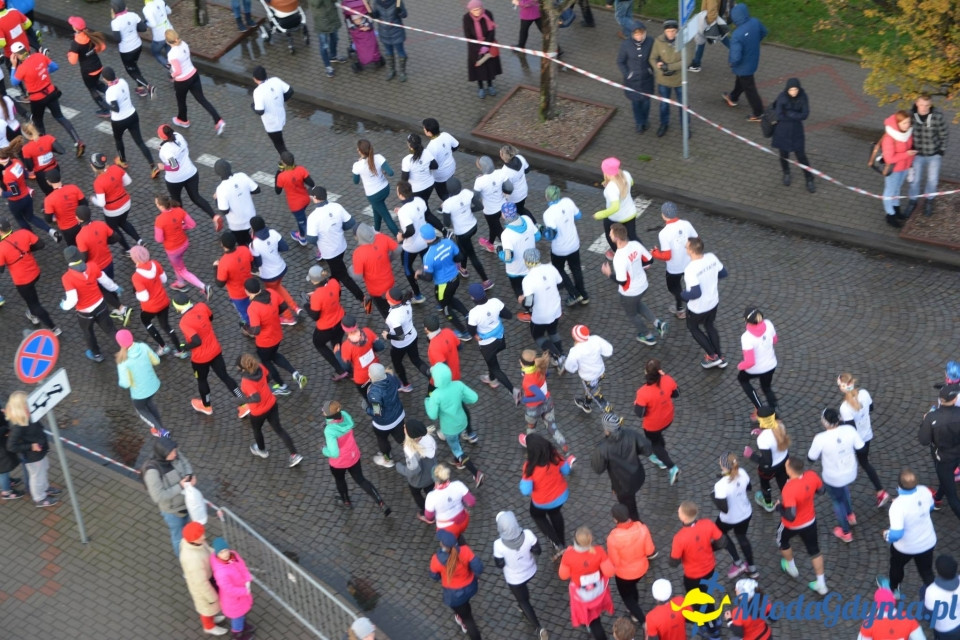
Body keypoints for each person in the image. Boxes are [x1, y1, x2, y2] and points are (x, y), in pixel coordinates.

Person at [171, 291, 249, 418]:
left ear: (178, 307)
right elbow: (210, 317)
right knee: (225, 377)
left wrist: (185, 347)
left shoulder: (184, 322)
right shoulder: (202, 306)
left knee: (202, 380)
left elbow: (196, 341)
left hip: (200, 358)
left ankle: (206, 406)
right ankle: (243, 404)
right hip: (215, 350)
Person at [10, 42, 84, 152]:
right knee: (60, 117)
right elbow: (55, 67)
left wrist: (13, 66)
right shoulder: (39, 56)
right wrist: (43, 72)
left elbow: (14, 82)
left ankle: (44, 148)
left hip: (37, 99)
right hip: (51, 93)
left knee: (38, 123)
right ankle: (77, 141)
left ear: (15, 56)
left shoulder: (21, 68)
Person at [321, 400, 391, 514]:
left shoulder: (329, 431)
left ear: (329, 414)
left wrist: (323, 449)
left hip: (339, 463)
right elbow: (340, 421)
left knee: (340, 480)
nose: (322, 411)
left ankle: (346, 501)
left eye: (324, 410)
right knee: (361, 480)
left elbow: (334, 453)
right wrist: (328, 422)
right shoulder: (345, 415)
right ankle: (380, 502)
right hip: (353, 456)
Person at [602, 222, 665, 345]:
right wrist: (635, 266)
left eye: (610, 234)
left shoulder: (619, 258)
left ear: (616, 238)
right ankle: (658, 323)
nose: (609, 235)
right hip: (643, 284)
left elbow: (622, 281)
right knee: (638, 304)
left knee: (632, 314)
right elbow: (649, 260)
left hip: (630, 291)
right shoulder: (635, 244)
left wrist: (609, 274)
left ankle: (647, 336)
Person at [877, 468, 936, 600]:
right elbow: (930, 507)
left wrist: (885, 534)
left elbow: (896, 534)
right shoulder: (924, 491)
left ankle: (893, 589)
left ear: (898, 485)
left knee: (897, 566)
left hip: (905, 547)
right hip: (927, 541)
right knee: (926, 572)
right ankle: (937, 598)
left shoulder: (897, 506)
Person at [669, 501, 725, 640]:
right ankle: (714, 621)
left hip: (693, 576)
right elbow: (723, 542)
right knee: (707, 594)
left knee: (700, 602)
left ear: (683, 517)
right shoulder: (707, 524)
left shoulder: (679, 537)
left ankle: (712, 630)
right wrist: (710, 548)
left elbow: (674, 562)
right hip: (710, 568)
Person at [808, 408, 864, 543]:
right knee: (844, 491)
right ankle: (850, 515)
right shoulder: (850, 430)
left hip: (833, 476)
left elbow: (811, 457)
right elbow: (861, 447)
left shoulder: (820, 438)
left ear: (825, 422)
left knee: (837, 501)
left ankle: (846, 532)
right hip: (850, 471)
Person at [237, 352, 303, 467]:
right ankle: (294, 454)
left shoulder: (246, 381)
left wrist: (241, 400)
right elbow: (269, 376)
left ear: (243, 368)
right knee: (279, 429)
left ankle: (261, 450)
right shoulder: (261, 367)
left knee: (257, 430)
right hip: (271, 403)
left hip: (258, 411)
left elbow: (255, 398)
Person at [425, 362, 485, 486]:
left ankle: (475, 472)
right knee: (456, 439)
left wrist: (427, 401)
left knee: (457, 449)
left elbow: (433, 415)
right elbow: (474, 398)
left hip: (449, 428)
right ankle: (458, 460)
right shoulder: (458, 385)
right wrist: (462, 399)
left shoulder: (436, 395)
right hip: (462, 421)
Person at [59, 246, 122, 362]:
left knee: (88, 333)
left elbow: (72, 299)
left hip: (85, 312)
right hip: (101, 305)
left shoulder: (67, 278)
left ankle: (97, 354)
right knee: (111, 329)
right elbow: (106, 281)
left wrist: (64, 305)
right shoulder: (92, 266)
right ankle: (125, 347)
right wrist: (116, 288)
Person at [243, 277, 306, 394]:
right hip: (277, 335)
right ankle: (295, 374)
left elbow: (256, 330)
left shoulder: (253, 308)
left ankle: (282, 386)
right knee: (275, 355)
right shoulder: (271, 293)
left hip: (265, 342)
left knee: (267, 362)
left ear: (247, 291)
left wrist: (247, 328)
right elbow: (283, 307)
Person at [776, 456, 828, 595]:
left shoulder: (789, 488)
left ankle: (791, 567)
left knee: (782, 540)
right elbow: (822, 491)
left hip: (791, 526)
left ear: (790, 470)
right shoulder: (811, 475)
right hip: (810, 521)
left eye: (786, 466)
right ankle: (821, 584)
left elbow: (791, 515)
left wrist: (779, 507)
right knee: (814, 550)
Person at [837, 372, 891, 508]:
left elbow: (850, 429)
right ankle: (880, 491)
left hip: (856, 441)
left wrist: (839, 423)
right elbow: (871, 408)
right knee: (865, 463)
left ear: (842, 388)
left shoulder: (844, 407)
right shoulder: (864, 394)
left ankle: (841, 493)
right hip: (867, 435)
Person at [493, 510, 548, 640]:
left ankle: (539, 628)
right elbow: (538, 551)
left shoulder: (498, 545)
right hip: (530, 570)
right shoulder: (528, 534)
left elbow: (499, 564)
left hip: (515, 579)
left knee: (524, 601)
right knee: (523, 597)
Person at [304, 185, 364, 301]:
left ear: (315, 198)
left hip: (329, 252)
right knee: (336, 272)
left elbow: (311, 239)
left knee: (343, 275)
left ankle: (362, 297)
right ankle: (335, 293)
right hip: (341, 246)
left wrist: (319, 241)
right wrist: (339, 228)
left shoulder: (313, 217)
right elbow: (351, 222)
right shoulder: (337, 207)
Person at [591, 410, 652, 522]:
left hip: (622, 484)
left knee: (630, 508)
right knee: (630, 501)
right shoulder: (630, 434)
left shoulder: (603, 448)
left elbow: (598, 468)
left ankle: (636, 524)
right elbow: (647, 448)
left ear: (607, 430)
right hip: (637, 475)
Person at [0, 217, 59, 332]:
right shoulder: (23, 232)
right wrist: (27, 250)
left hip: (22, 281)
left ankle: (53, 328)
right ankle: (32, 314)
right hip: (35, 272)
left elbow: (1, 269)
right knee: (31, 298)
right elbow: (41, 244)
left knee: (34, 304)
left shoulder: (1, 248)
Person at [558, 526, 615, 640]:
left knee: (593, 620)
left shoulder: (568, 555)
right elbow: (610, 572)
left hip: (581, 594)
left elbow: (563, 576)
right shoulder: (599, 551)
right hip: (598, 591)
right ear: (591, 539)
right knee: (595, 616)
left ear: (575, 541)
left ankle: (588, 624)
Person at [129, 244, 186, 358]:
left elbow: (144, 297)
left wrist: (137, 294)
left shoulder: (136, 276)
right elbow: (164, 279)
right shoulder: (155, 263)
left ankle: (163, 346)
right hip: (164, 301)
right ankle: (180, 351)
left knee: (146, 321)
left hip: (150, 307)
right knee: (166, 326)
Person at [520, 433, 572, 557]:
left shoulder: (529, 467)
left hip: (542, 502)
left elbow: (525, 490)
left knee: (537, 515)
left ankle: (556, 542)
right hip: (560, 496)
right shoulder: (555, 456)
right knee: (555, 514)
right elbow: (566, 470)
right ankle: (562, 541)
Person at [102, 65, 159, 177]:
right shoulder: (123, 81)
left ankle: (123, 160)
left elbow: (116, 109)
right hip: (132, 115)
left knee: (118, 140)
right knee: (140, 142)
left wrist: (105, 105)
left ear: (105, 79)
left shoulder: (110, 92)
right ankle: (153, 165)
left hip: (119, 121)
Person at [166, 29, 225, 134]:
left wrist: (171, 75)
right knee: (202, 99)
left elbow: (178, 71)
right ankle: (218, 120)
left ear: (167, 41)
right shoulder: (184, 44)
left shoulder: (172, 54)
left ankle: (183, 120)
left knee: (181, 101)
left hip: (182, 81)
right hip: (193, 74)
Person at [6, 391, 58, 508]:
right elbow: (11, 446)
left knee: (44, 470)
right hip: (32, 456)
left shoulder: (28, 414)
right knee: (37, 476)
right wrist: (31, 446)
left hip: (40, 452)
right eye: (26, 403)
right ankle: (39, 498)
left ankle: (45, 488)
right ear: (20, 407)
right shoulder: (18, 425)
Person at [605, 504, 656, 626]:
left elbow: (615, 562)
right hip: (641, 569)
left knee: (627, 597)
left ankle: (641, 619)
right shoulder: (642, 528)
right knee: (633, 588)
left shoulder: (613, 538)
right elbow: (650, 551)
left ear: (615, 519)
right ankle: (634, 612)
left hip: (624, 574)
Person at [466, 283, 518, 401]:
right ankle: (491, 378)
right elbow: (508, 315)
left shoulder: (473, 313)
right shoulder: (495, 302)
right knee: (491, 362)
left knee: (495, 367)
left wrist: (475, 336)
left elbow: (471, 331)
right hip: (500, 339)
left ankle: (513, 390)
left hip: (486, 345)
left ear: (473, 298)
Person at [681, 236, 728, 368]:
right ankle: (720, 356)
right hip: (713, 302)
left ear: (691, 250)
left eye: (686, 247)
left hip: (698, 307)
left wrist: (683, 295)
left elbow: (696, 293)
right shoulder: (711, 257)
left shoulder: (690, 269)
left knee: (693, 328)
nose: (685, 248)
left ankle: (712, 356)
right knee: (709, 325)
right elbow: (723, 273)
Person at [157, 124, 219, 222]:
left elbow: (175, 166)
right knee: (196, 197)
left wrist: (162, 167)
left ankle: (182, 221)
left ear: (161, 137)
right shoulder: (178, 135)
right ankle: (214, 216)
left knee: (176, 200)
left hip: (175, 180)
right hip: (191, 173)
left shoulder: (166, 151)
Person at [141, 436, 193, 553]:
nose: (175, 454)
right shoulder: (152, 472)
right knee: (178, 538)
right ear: (163, 454)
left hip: (186, 502)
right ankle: (182, 558)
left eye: (175, 451)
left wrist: (190, 475)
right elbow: (158, 496)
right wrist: (180, 486)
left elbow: (185, 462)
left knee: (187, 529)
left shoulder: (173, 451)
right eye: (172, 453)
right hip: (173, 511)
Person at [418, 224, 471, 336]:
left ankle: (463, 332)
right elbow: (460, 257)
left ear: (424, 238)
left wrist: (418, 275)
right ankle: (467, 315)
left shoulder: (428, 256)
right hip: (455, 278)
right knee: (450, 298)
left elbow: (428, 277)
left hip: (443, 285)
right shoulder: (448, 242)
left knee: (445, 307)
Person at [430, 529, 484, 639]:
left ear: (442, 545)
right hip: (470, 587)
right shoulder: (465, 550)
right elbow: (479, 568)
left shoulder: (436, 560)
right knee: (466, 607)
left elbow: (434, 576)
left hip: (454, 595)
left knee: (468, 619)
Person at [115, 329, 169, 438]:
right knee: (149, 404)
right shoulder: (143, 346)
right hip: (153, 385)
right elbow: (156, 361)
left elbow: (125, 383)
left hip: (139, 393)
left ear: (119, 343)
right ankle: (159, 427)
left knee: (141, 410)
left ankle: (160, 430)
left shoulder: (122, 360)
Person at [633, 359, 680, 484]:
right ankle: (661, 456)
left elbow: (639, 413)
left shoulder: (642, 392)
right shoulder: (668, 379)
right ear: (659, 371)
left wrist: (636, 404)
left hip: (653, 425)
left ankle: (671, 466)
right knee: (658, 439)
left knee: (654, 443)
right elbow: (676, 394)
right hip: (668, 418)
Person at [713, 452, 759, 579]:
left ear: (723, 465)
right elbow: (748, 487)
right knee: (742, 537)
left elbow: (723, 508)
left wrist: (714, 495)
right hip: (745, 513)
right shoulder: (742, 472)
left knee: (720, 534)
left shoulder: (720, 485)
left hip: (729, 518)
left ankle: (738, 563)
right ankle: (752, 569)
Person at [153, 195, 210, 297]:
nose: (156, 205)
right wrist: (182, 227)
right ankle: (180, 283)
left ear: (161, 206)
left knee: (182, 270)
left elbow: (159, 239)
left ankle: (204, 287)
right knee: (178, 264)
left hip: (173, 249)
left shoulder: (159, 220)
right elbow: (192, 224)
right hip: (184, 243)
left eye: (156, 204)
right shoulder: (179, 210)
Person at [440, 177, 491, 288]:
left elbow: (447, 223)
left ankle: (486, 281)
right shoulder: (467, 193)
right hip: (473, 226)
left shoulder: (448, 204)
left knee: (472, 254)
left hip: (462, 232)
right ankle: (463, 268)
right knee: (463, 248)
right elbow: (479, 206)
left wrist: (445, 209)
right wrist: (468, 210)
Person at [919, 384, 960, 522]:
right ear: (954, 399)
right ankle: (937, 498)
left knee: (953, 499)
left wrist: (924, 422)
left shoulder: (931, 417)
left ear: (940, 400)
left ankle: (937, 500)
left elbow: (924, 440)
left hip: (943, 459)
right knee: (947, 480)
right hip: (957, 455)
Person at [178, 522, 228, 637]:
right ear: (194, 539)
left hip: (208, 580)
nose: (204, 537)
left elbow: (207, 551)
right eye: (200, 536)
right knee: (206, 608)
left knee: (209, 608)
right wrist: (212, 598)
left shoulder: (194, 544)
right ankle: (209, 626)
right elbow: (201, 584)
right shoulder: (193, 560)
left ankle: (212, 618)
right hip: (204, 587)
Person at [542, 185, 588, 306]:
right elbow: (579, 216)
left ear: (547, 197)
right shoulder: (568, 202)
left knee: (559, 269)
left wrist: (543, 232)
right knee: (576, 269)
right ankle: (583, 295)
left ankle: (574, 294)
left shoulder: (548, 214)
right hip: (574, 244)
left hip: (559, 249)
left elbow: (551, 235)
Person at [650, 201, 697, 319]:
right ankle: (680, 309)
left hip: (674, 268)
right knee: (685, 285)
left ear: (663, 215)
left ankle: (688, 305)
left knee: (674, 288)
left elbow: (667, 256)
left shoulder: (664, 233)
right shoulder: (686, 224)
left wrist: (655, 254)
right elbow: (696, 240)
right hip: (689, 263)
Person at [250, 216, 299, 324]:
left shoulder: (254, 245)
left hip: (269, 275)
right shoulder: (273, 233)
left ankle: (288, 317)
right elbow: (285, 247)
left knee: (275, 295)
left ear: (253, 229)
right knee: (279, 288)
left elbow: (258, 263)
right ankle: (295, 307)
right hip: (281, 268)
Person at [721, 3, 767, 121]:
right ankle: (733, 97)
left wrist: (732, 63)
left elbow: (735, 56)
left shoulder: (737, 34)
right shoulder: (755, 22)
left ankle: (758, 113)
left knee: (750, 89)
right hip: (753, 59)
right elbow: (764, 32)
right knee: (741, 79)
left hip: (743, 65)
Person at [304, 265, 349, 381]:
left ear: (314, 281)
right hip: (340, 320)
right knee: (337, 345)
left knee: (318, 343)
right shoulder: (334, 282)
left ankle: (340, 370)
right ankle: (347, 366)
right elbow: (335, 295)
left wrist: (306, 304)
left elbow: (315, 316)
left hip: (326, 328)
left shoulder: (316, 297)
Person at [520, 248, 565, 365]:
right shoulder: (550, 268)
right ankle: (562, 353)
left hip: (540, 315)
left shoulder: (528, 280)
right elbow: (561, 284)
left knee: (538, 335)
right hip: (555, 309)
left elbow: (529, 304)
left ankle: (557, 356)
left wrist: (522, 301)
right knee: (553, 331)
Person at [90, 151, 142, 251]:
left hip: (112, 211)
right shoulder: (115, 168)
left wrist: (93, 199)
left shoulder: (98, 182)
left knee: (114, 229)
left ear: (94, 166)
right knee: (123, 222)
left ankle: (127, 250)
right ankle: (139, 240)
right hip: (126, 203)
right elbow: (128, 181)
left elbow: (101, 203)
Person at [907, 95, 950, 217]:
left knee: (932, 180)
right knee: (915, 180)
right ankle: (913, 201)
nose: (924, 108)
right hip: (917, 155)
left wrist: (941, 151)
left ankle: (929, 200)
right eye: (921, 104)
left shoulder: (937, 117)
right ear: (916, 103)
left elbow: (944, 135)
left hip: (934, 155)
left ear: (930, 105)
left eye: (927, 105)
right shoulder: (910, 116)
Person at [519, 349, 570, 452]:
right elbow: (546, 375)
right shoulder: (539, 367)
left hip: (533, 408)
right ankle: (566, 450)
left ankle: (530, 445)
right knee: (553, 428)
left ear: (522, 363)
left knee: (531, 426)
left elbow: (540, 396)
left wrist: (524, 399)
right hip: (548, 404)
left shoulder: (527, 381)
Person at [565, 324, 618, 419]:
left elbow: (570, 367)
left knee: (596, 394)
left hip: (589, 377)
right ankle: (586, 404)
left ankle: (611, 417)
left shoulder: (575, 351)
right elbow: (608, 350)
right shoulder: (595, 339)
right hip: (600, 372)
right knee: (591, 390)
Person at [772, 78, 815, 192]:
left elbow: (805, 115)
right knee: (783, 155)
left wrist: (789, 113)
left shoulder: (803, 97)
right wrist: (795, 114)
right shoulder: (782, 97)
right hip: (783, 131)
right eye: (791, 90)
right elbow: (779, 115)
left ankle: (809, 178)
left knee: (801, 156)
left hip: (796, 131)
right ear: (787, 89)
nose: (794, 92)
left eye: (795, 89)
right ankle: (786, 172)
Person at [382, 287, 429, 389]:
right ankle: (431, 375)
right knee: (416, 360)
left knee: (397, 363)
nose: (386, 300)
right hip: (413, 336)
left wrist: (387, 336)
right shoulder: (406, 302)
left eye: (387, 299)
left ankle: (405, 385)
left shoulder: (393, 317)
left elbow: (400, 337)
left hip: (400, 345)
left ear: (392, 301)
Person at [744, 406, 790, 512]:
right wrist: (762, 432)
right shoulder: (780, 426)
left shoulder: (763, 439)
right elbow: (773, 438)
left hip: (770, 468)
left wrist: (751, 455)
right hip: (784, 461)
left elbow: (767, 462)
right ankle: (789, 501)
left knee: (765, 484)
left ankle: (768, 504)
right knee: (784, 484)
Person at [0, 148, 55, 237]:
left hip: (16, 202)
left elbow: (15, 192)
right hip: (27, 196)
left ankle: (31, 238)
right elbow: (26, 175)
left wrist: (2, 193)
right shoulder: (17, 161)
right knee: (31, 217)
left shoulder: (8, 176)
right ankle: (50, 230)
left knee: (20, 219)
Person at [498, 202, 537, 322]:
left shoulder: (506, 234)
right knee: (532, 288)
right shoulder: (527, 219)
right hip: (532, 264)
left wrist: (499, 252)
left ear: (504, 215)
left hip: (516, 270)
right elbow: (538, 236)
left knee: (521, 293)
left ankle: (532, 312)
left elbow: (508, 257)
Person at [209, 538, 254, 640]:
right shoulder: (221, 573)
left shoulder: (233, 555)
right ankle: (237, 634)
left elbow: (242, 567)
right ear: (217, 554)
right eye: (221, 552)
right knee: (237, 617)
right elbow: (228, 589)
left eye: (226, 550)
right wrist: (245, 591)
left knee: (240, 614)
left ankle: (242, 625)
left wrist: (247, 578)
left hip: (240, 595)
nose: (225, 554)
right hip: (233, 600)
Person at [593, 157, 638, 258]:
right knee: (632, 236)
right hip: (630, 213)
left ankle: (618, 255)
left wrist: (600, 214)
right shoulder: (626, 174)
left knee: (611, 237)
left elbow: (615, 207)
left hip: (616, 218)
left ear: (606, 172)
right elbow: (631, 183)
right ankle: (644, 260)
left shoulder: (611, 188)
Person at [66, 16, 110, 116]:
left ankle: (105, 109)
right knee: (97, 84)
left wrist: (69, 54)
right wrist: (93, 51)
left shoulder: (75, 44)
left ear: (75, 28)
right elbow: (102, 47)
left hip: (88, 71)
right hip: (98, 66)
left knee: (92, 89)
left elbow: (72, 61)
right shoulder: (90, 35)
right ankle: (113, 94)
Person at [737, 307, 778, 415]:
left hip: (755, 369)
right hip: (771, 365)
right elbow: (774, 340)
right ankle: (774, 408)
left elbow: (750, 362)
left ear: (746, 321)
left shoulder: (746, 337)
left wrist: (740, 366)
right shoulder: (769, 324)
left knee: (742, 379)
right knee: (766, 387)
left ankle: (759, 407)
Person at [395, 418, 437, 522]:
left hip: (418, 481)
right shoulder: (428, 438)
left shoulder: (410, 449)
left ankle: (427, 514)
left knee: (416, 493)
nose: (404, 427)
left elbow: (413, 470)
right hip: (432, 474)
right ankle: (436, 507)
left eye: (406, 428)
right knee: (430, 491)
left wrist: (399, 468)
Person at [110, 0, 154, 97]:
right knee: (134, 66)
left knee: (131, 71)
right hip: (138, 46)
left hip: (126, 51)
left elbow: (118, 39)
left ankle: (148, 87)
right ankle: (140, 89)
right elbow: (143, 28)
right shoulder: (133, 15)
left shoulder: (115, 22)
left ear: (114, 10)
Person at [616, 22, 654, 134]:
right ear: (632, 34)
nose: (639, 37)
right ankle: (639, 123)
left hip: (647, 79)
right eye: (636, 35)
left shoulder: (651, 42)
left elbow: (654, 56)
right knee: (636, 103)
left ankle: (645, 120)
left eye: (641, 34)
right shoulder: (626, 45)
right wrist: (628, 74)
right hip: (632, 81)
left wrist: (651, 70)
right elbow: (620, 61)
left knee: (646, 102)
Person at [353, 140, 397, 235]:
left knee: (386, 217)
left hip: (373, 195)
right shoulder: (379, 158)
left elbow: (355, 181)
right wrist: (383, 172)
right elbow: (391, 172)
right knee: (376, 209)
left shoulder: (357, 165)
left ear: (360, 151)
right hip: (385, 189)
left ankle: (400, 237)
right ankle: (376, 231)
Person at [365, 363, 405, 466]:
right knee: (402, 438)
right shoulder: (391, 377)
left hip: (384, 424)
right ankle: (414, 451)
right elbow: (399, 385)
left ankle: (387, 459)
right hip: (399, 415)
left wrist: (367, 409)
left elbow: (377, 412)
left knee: (382, 440)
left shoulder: (374, 392)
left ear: (372, 376)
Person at [880, 110, 915, 228]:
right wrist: (907, 154)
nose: (908, 125)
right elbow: (889, 158)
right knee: (889, 192)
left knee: (897, 190)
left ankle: (896, 211)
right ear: (897, 124)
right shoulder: (890, 138)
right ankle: (890, 215)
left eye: (909, 122)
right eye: (904, 123)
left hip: (904, 167)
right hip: (893, 170)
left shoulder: (907, 132)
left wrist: (910, 162)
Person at [338, 314, 385, 402]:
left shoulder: (346, 346)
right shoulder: (367, 331)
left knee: (370, 398)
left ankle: (377, 412)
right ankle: (383, 405)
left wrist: (337, 354)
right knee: (381, 390)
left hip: (362, 378)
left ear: (344, 329)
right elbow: (381, 347)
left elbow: (346, 367)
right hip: (377, 370)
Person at [651, 20, 685, 138]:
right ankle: (663, 124)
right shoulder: (658, 41)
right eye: (668, 31)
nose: (671, 34)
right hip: (663, 80)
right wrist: (659, 69)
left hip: (679, 79)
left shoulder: (684, 41)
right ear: (664, 31)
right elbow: (652, 58)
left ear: (677, 31)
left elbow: (687, 60)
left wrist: (669, 67)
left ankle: (685, 126)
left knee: (683, 105)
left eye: (673, 31)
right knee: (664, 104)